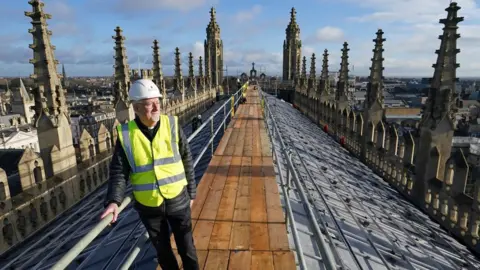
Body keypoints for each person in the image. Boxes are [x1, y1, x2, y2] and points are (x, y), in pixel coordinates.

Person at [100, 79, 199, 270]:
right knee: (163, 252)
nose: (156, 108)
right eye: (149, 104)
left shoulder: (172, 125)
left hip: (178, 199)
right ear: (135, 108)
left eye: (158, 103)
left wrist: (192, 193)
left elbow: (187, 159)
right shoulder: (126, 134)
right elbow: (119, 171)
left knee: (187, 248)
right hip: (149, 206)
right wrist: (114, 201)